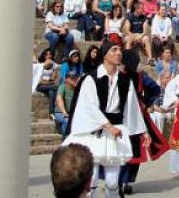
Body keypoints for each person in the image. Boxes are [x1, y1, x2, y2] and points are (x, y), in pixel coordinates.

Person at [62, 41, 147, 198]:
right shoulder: (91, 79)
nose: (119, 53)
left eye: (120, 50)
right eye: (114, 50)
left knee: (113, 181)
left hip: (115, 132)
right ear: (105, 55)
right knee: (92, 178)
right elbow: (89, 107)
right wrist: (108, 126)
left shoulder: (125, 80)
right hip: (93, 132)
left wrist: (143, 132)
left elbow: (131, 108)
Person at [118, 49, 170, 194]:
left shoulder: (140, 76)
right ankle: (120, 181)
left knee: (135, 150)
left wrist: (145, 103)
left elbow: (155, 89)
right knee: (122, 149)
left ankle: (127, 182)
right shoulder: (117, 76)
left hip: (137, 116)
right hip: (121, 117)